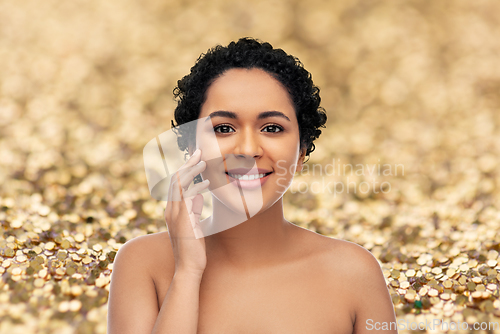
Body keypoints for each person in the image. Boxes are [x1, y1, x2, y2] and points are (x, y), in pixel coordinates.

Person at [107, 37, 398, 334]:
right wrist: (187, 274)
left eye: (272, 128)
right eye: (223, 128)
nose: (247, 149)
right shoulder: (142, 264)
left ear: (301, 152)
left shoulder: (354, 273)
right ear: (191, 147)